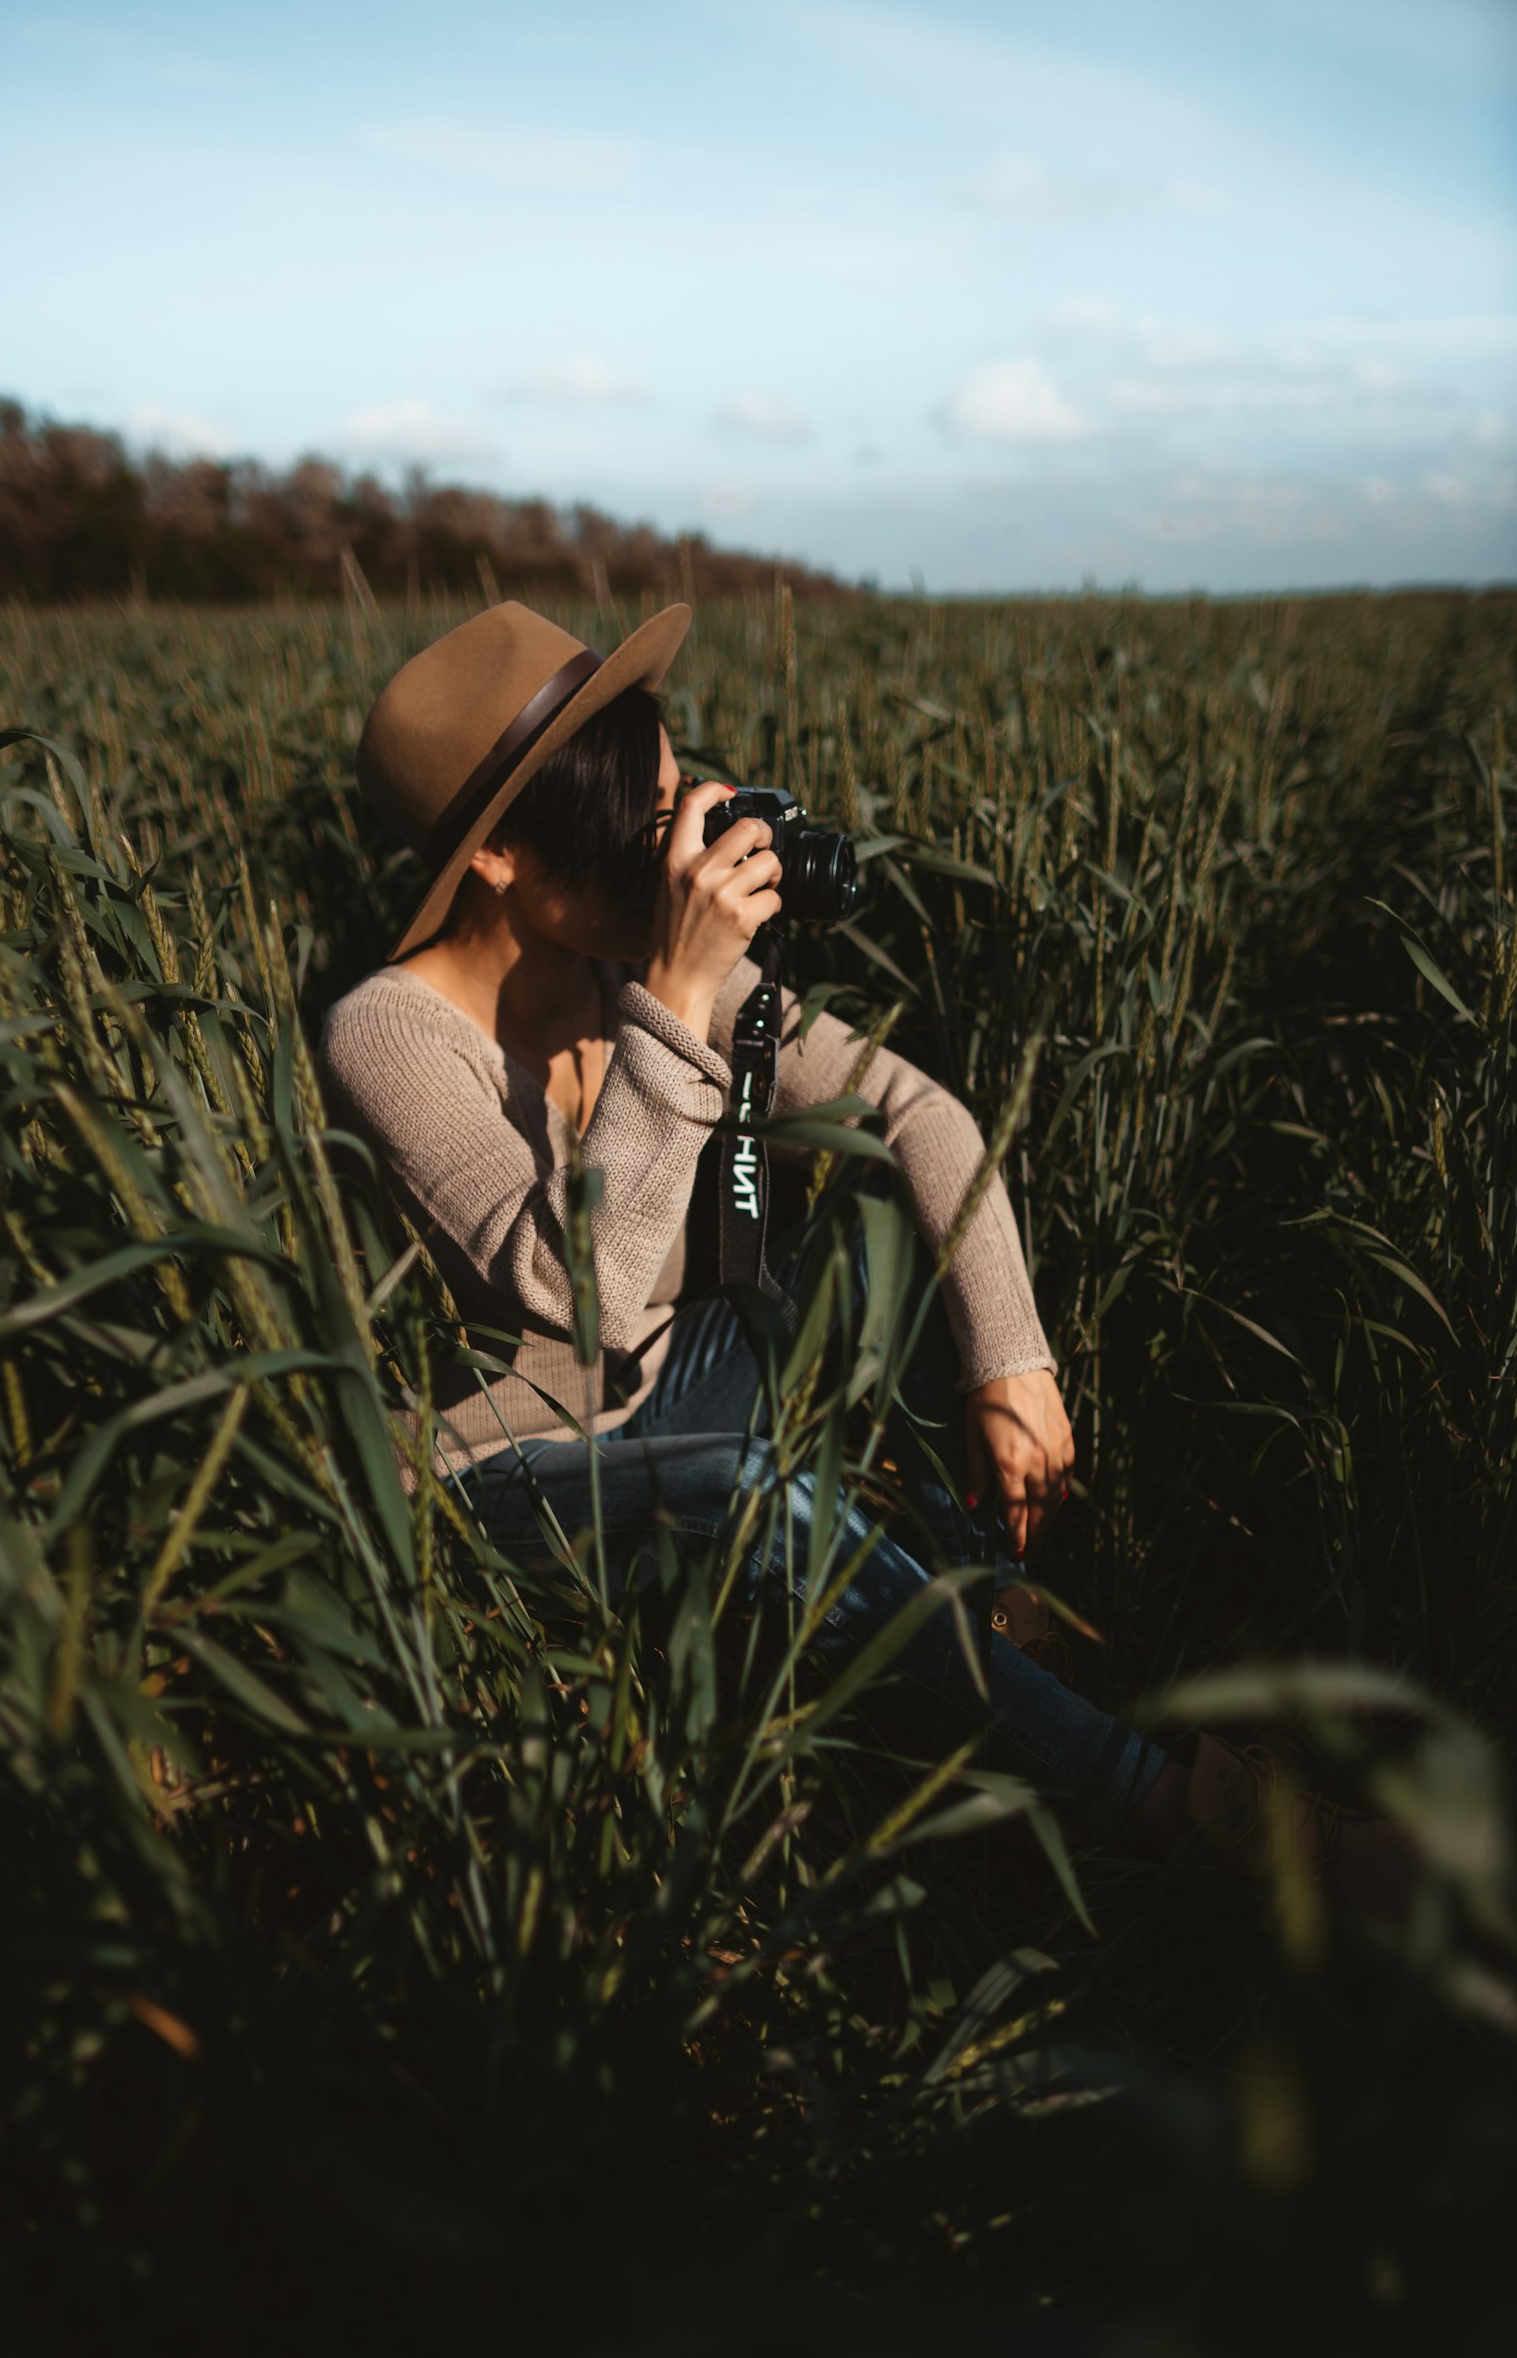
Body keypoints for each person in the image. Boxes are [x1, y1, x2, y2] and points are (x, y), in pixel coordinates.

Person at [320, 598, 1416, 1912]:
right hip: (523, 1469)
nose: (674, 849)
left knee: (875, 1238)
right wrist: (675, 999)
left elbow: (921, 1117)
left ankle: (993, 1607)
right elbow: (579, 1294)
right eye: (637, 817)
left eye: (678, 801)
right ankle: (1185, 1811)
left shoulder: (642, 965)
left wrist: (1013, 1366)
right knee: (746, 1488)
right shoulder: (390, 1032)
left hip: (695, 1379)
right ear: (497, 854)